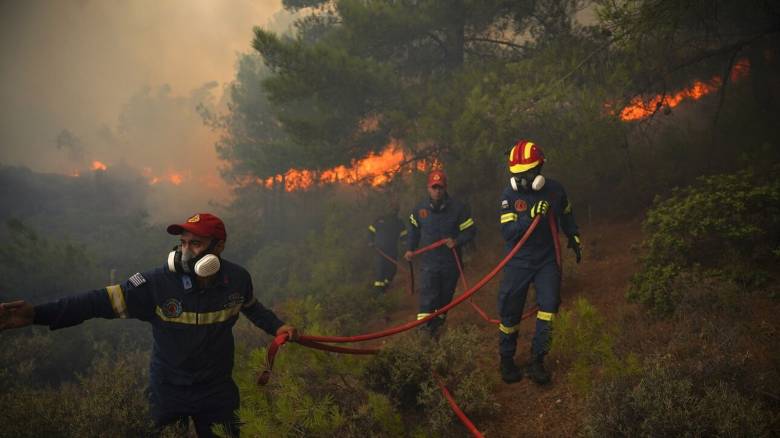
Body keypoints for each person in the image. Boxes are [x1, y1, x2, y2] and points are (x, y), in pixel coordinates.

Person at [0, 213, 298, 437]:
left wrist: (277, 327)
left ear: (218, 248)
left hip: (216, 390)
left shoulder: (238, 279)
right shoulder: (155, 283)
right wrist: (36, 314)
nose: (185, 251)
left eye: (195, 243)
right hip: (168, 390)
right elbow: (94, 302)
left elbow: (251, 307)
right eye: (182, 243)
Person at [497, 140, 581, 384]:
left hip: (546, 260)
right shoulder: (509, 195)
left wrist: (574, 235)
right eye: (517, 175)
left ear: (539, 171)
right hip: (518, 261)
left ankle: (538, 360)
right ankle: (506, 359)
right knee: (510, 312)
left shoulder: (555, 190)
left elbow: (566, 214)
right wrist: (530, 217)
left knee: (549, 307)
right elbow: (508, 232)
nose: (522, 180)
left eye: (527, 174)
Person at [404, 170, 476, 336]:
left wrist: (456, 241)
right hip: (429, 263)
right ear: (428, 188)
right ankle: (424, 334)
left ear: (445, 188)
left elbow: (470, 231)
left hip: (451, 263)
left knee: (444, 300)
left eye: (440, 187)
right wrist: (410, 249)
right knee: (428, 298)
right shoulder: (419, 210)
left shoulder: (459, 208)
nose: (437, 190)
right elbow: (414, 231)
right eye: (433, 187)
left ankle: (435, 329)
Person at [367, 200, 407, 292]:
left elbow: (403, 236)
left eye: (395, 209)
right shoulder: (380, 220)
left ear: (398, 210)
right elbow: (371, 231)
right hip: (379, 250)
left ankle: (386, 285)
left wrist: (405, 245)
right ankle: (378, 292)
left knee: (392, 269)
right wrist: (370, 242)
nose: (394, 210)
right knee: (380, 269)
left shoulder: (399, 222)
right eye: (392, 208)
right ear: (388, 209)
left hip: (392, 250)